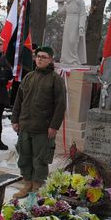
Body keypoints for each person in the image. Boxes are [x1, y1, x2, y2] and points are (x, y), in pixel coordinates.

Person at [11, 46, 66, 198]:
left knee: (40, 160)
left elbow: (61, 105)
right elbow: (18, 100)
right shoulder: (29, 77)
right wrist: (15, 119)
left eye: (44, 57)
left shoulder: (56, 80)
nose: (40, 59)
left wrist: (54, 126)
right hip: (25, 126)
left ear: (50, 60)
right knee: (24, 158)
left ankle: (37, 188)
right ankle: (27, 185)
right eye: (38, 56)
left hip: (43, 129)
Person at [58, 0, 87, 65]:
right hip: (68, 23)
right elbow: (60, 12)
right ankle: (64, 59)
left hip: (76, 23)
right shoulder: (68, 2)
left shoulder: (81, 3)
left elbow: (83, 15)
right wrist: (60, 4)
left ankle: (74, 60)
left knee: (73, 41)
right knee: (66, 42)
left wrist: (81, 26)